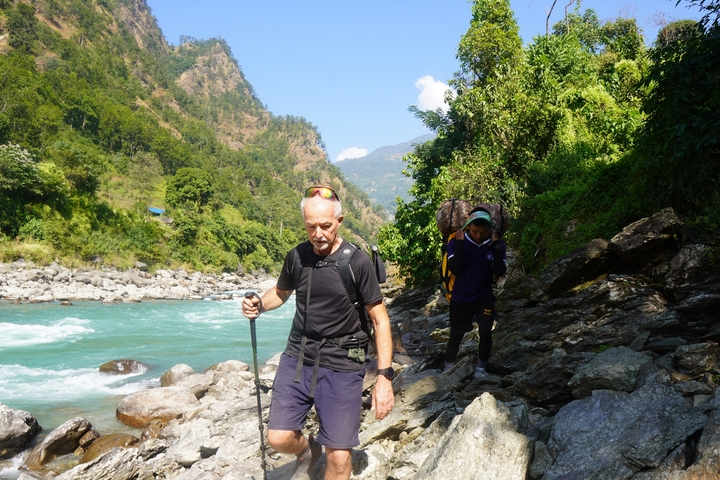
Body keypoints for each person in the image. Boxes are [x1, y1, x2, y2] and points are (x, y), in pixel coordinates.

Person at [242, 185, 395, 480]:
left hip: (342, 363)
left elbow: (380, 320)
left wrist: (384, 378)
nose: (319, 234)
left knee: (338, 459)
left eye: (325, 226)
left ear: (339, 221)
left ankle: (327, 451)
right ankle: (309, 450)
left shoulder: (356, 262)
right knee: (278, 437)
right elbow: (280, 292)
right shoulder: (297, 257)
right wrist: (259, 304)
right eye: (311, 226)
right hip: (299, 357)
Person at [443, 207, 507, 377]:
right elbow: (455, 268)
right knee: (456, 334)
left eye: (484, 232)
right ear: (467, 229)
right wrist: (460, 243)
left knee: (486, 331)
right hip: (461, 296)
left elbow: (500, 270)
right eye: (475, 231)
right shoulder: (455, 243)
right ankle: (448, 367)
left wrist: (495, 246)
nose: (479, 235)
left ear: (490, 230)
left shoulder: (496, 245)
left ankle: (481, 368)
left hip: (483, 296)